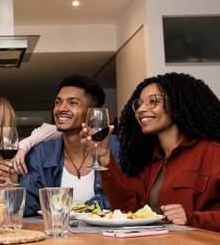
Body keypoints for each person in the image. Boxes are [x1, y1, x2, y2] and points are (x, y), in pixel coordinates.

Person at [82, 73, 220, 230]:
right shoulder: (150, 160)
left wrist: (193, 218)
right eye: (138, 104)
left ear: (178, 104)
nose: (141, 109)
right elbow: (128, 210)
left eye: (153, 102)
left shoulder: (214, 154)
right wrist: (105, 159)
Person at [15, 75, 119, 217]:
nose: (61, 108)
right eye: (58, 102)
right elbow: (27, 208)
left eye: (73, 103)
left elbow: (123, 202)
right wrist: (14, 183)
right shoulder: (41, 153)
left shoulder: (116, 148)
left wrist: (67, 209)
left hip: (107, 237)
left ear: (92, 112)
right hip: (57, 236)